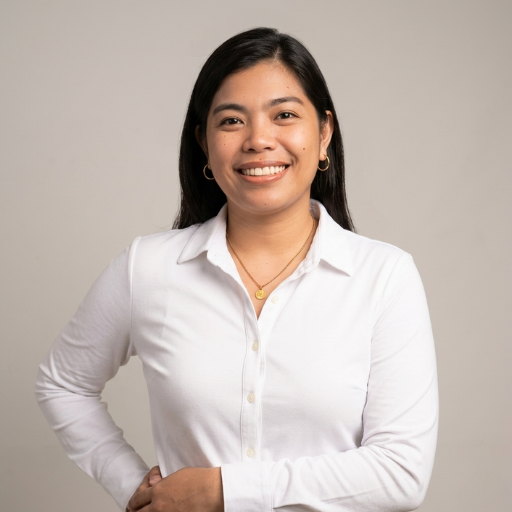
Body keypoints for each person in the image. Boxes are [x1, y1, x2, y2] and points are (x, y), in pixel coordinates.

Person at [36, 27, 438, 512]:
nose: (259, 140)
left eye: (284, 115)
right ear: (204, 143)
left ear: (324, 134)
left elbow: (401, 473)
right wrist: (134, 488)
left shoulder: (384, 277)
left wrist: (221, 491)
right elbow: (63, 384)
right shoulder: (149, 268)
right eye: (231, 121)